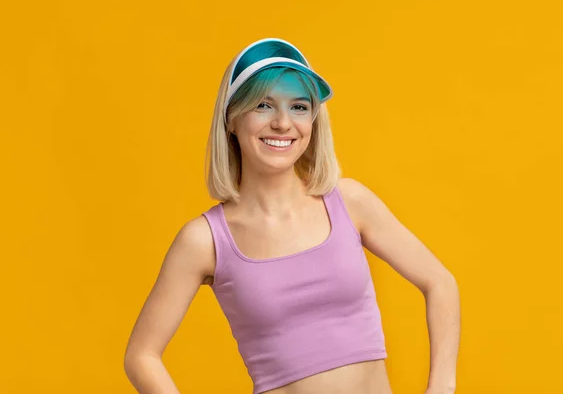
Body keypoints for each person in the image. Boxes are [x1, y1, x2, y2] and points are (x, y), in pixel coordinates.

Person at [124, 38, 461, 394]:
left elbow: (440, 283)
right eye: (264, 105)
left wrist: (441, 387)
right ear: (232, 119)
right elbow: (142, 355)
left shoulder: (349, 202)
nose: (283, 123)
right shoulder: (206, 240)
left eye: (299, 107)